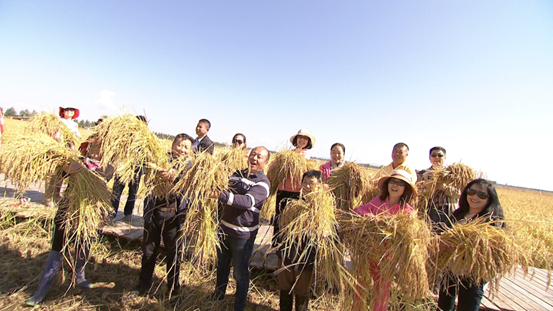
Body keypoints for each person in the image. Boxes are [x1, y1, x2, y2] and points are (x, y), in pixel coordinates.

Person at [26, 142, 110, 306]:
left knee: (83, 244)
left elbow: (102, 177)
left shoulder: (108, 167)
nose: (95, 150)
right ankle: (42, 289)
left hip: (87, 213)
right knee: (57, 248)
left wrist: (79, 168)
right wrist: (66, 170)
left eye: (100, 147)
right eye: (92, 146)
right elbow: (58, 176)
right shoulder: (75, 161)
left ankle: (79, 276)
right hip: (66, 211)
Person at [134, 133, 194, 300]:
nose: (182, 149)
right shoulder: (159, 159)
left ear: (190, 151)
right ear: (172, 145)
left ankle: (173, 290)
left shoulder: (190, 166)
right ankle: (143, 284)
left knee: (173, 253)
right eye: (179, 145)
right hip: (154, 213)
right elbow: (145, 173)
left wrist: (176, 177)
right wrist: (156, 171)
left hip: (174, 216)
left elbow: (189, 185)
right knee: (148, 251)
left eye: (186, 147)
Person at [212, 146, 271, 311]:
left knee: (240, 272)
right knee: (222, 265)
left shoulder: (263, 183)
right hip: (224, 229)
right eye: (253, 154)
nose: (254, 158)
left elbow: (246, 202)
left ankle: (239, 307)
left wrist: (220, 195)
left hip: (243, 235)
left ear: (265, 162)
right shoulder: (236, 174)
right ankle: (218, 296)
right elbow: (223, 188)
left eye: (259, 157)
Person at [352, 169, 417, 311]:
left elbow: (407, 234)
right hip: (368, 252)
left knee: (382, 291)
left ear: (405, 189)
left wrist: (388, 225)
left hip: (387, 258)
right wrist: (372, 218)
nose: (395, 186)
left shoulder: (406, 211)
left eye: (400, 184)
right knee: (361, 285)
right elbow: (358, 210)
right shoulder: (378, 201)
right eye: (393, 182)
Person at [437, 179, 505, 311]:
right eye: (472, 192)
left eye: (482, 195)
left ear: (489, 199)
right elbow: (442, 234)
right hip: (450, 269)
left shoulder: (490, 221)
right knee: (444, 305)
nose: (475, 197)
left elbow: (492, 251)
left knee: (468, 306)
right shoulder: (459, 214)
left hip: (473, 275)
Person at [277, 170, 322, 311]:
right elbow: (280, 224)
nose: (308, 186)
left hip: (307, 254)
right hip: (287, 252)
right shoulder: (291, 201)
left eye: (312, 183)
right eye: (305, 182)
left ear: (319, 185)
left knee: (302, 290)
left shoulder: (323, 206)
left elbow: (330, 229)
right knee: (285, 287)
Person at [270, 129, 316, 247]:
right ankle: (276, 245)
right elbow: (273, 166)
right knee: (279, 217)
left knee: (293, 219)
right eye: (300, 137)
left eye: (305, 138)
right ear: (296, 140)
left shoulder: (308, 157)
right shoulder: (287, 154)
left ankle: (290, 245)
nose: (302, 140)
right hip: (283, 190)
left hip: (298, 192)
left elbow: (310, 175)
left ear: (308, 142)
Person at [111, 115, 147, 223]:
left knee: (133, 192)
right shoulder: (125, 136)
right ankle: (112, 213)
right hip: (123, 167)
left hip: (136, 169)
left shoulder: (146, 139)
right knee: (116, 191)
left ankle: (128, 213)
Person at [418, 147, 460, 231]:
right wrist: (427, 188)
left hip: (448, 211)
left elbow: (459, 194)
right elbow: (417, 193)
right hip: (429, 211)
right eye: (434, 155)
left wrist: (444, 188)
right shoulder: (423, 174)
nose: (437, 158)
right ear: (430, 158)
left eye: (440, 155)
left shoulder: (453, 174)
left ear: (445, 158)